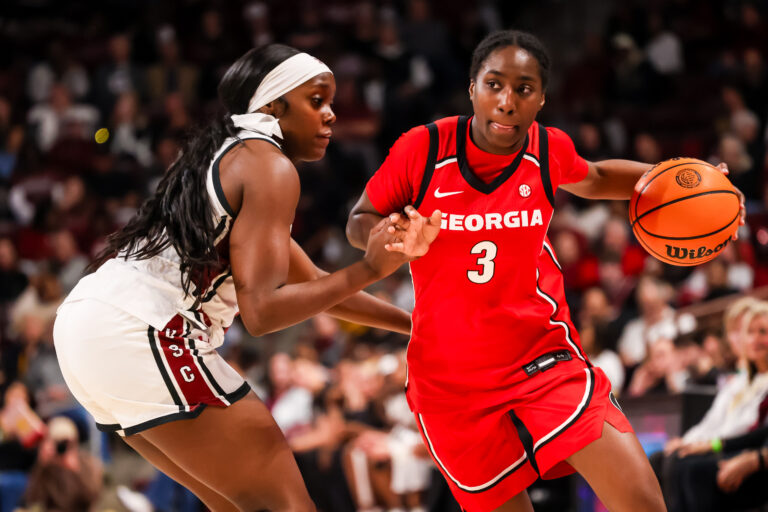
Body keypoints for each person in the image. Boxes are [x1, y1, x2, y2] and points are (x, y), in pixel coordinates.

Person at [346, 30, 744, 512]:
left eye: (524, 88)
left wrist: (687, 186)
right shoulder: (423, 149)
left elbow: (595, 178)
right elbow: (358, 220)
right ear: (472, 88)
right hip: (450, 383)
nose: (507, 101)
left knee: (644, 504)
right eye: (494, 84)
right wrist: (391, 236)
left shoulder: (547, 148)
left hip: (542, 358)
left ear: (542, 99)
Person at [53, 44, 434, 512]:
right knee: (290, 506)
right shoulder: (269, 166)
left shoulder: (229, 155)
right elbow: (263, 313)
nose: (332, 115)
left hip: (90, 325)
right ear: (272, 106)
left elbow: (315, 283)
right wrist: (370, 268)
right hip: (141, 326)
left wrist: (418, 327)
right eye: (317, 101)